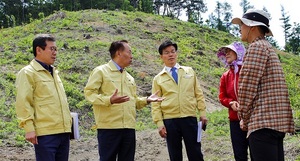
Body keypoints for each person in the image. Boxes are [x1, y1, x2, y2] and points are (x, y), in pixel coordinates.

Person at [84, 40, 164, 161]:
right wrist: (109, 100)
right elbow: (89, 93)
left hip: (128, 128)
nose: (132, 56)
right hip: (109, 128)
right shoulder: (101, 71)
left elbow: (133, 101)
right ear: (119, 53)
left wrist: (147, 100)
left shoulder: (129, 77)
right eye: (129, 52)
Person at [231, 9, 295, 161]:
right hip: (275, 123)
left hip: (262, 124)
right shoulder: (267, 47)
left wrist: (244, 118)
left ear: (252, 27)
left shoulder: (256, 47)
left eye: (242, 24)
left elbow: (247, 87)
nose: (240, 28)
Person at [15, 34, 72, 161]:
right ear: (38, 50)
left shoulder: (54, 72)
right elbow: (23, 102)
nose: (55, 53)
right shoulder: (28, 73)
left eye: (56, 49)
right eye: (51, 49)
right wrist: (29, 128)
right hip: (46, 134)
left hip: (63, 132)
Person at [151, 40, 207, 161]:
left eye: (173, 51)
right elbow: (155, 103)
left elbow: (198, 94)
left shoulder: (189, 71)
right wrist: (159, 124)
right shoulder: (158, 79)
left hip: (189, 118)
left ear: (176, 54)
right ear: (161, 57)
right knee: (175, 155)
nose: (170, 55)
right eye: (166, 52)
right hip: (170, 121)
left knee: (195, 153)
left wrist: (202, 113)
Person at [217, 41, 251, 161]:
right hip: (235, 121)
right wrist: (230, 102)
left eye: (229, 51)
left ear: (238, 53)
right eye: (225, 52)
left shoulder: (248, 71)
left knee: (256, 153)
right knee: (239, 154)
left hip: (251, 119)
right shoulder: (226, 76)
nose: (226, 54)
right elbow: (222, 96)